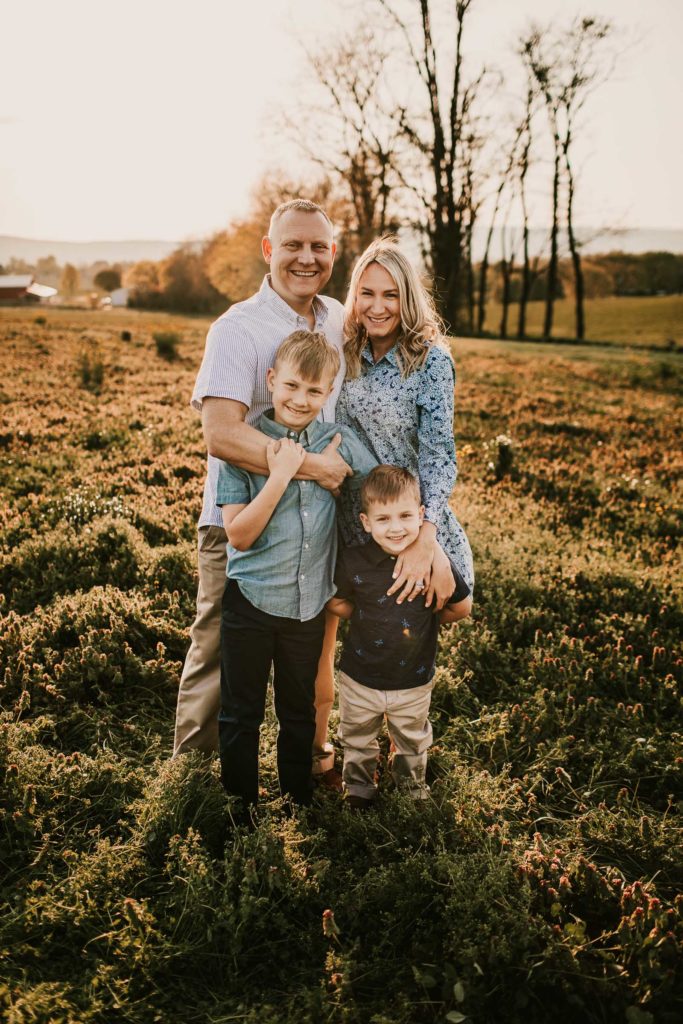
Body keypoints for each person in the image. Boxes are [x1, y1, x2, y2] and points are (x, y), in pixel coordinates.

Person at [173, 198, 352, 786]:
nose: (306, 258)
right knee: (219, 648)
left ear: (333, 253)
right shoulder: (239, 328)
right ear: (269, 251)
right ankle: (195, 778)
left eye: (318, 247)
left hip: (311, 528)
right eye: (293, 246)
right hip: (241, 516)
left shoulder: (335, 319)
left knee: (302, 659)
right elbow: (221, 434)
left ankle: (304, 766)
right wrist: (312, 470)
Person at [216, 330, 376, 810]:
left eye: (313, 391)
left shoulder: (337, 443)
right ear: (271, 381)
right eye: (290, 386)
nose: (300, 399)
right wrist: (282, 473)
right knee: (241, 711)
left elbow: (377, 484)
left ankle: (296, 802)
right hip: (251, 599)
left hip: (308, 606)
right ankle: (240, 805)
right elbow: (239, 535)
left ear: (328, 394)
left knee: (298, 712)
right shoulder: (245, 446)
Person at [336, 236, 475, 600]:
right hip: (357, 521)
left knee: (425, 625)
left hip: (409, 524)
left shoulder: (431, 362)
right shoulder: (345, 352)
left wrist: (425, 540)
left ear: (408, 298)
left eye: (391, 295)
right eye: (367, 293)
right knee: (365, 632)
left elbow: (439, 455)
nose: (377, 306)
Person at [327, 466, 471, 807]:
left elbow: (461, 606)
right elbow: (335, 599)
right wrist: (362, 618)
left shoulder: (434, 562)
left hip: (414, 677)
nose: (396, 528)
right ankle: (359, 788)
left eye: (406, 516)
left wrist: (430, 618)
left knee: (412, 739)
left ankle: (411, 789)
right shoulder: (354, 562)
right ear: (365, 522)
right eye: (384, 519)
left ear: (421, 516)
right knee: (358, 737)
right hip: (360, 676)